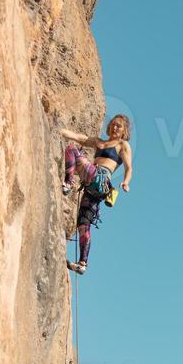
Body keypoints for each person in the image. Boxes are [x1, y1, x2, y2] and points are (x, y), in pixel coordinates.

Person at [61, 115, 133, 274]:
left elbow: (129, 168)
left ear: (124, 131)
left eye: (119, 126)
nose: (115, 128)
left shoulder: (123, 145)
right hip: (92, 188)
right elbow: (80, 137)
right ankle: (82, 263)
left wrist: (126, 182)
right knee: (83, 224)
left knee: (72, 149)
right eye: (113, 125)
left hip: (100, 179)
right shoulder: (99, 142)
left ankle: (68, 182)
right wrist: (60, 130)